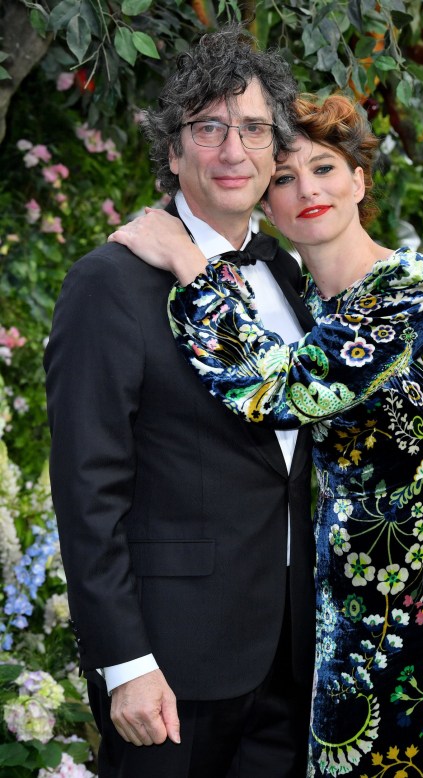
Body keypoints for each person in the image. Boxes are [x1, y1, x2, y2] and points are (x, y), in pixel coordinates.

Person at [110, 94, 423, 776]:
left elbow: (289, 390)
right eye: (283, 177)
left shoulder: (412, 286)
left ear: (360, 180)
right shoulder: (297, 305)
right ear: (266, 205)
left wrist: (187, 264)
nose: (307, 190)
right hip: (350, 597)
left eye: (326, 168)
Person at [44, 26, 317, 778]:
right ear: (173, 151)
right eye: (208, 128)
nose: (233, 151)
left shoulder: (291, 280)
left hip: (291, 660)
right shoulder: (110, 283)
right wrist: (125, 660)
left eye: (254, 129)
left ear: (275, 151)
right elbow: (85, 486)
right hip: (170, 670)